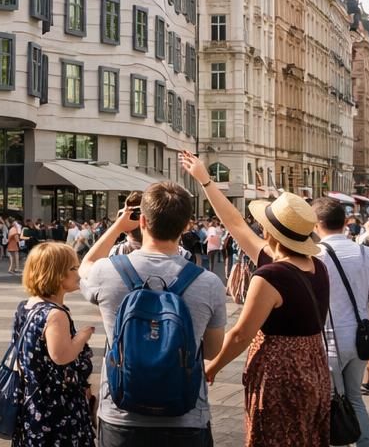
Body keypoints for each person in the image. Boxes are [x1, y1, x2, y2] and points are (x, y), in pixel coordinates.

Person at [80, 185, 226, 447]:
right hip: (186, 417)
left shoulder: (106, 272)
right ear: (185, 227)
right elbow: (212, 351)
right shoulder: (209, 283)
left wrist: (117, 227)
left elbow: (84, 267)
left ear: (143, 221)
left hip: (121, 415)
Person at [202, 190, 331, 447]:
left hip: (279, 374)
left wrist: (212, 367)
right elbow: (236, 224)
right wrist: (206, 181)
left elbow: (241, 335)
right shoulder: (317, 267)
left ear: (269, 234)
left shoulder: (271, 276)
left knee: (274, 436)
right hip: (314, 368)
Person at [316, 199, 369, 447]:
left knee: (328, 401)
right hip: (361, 337)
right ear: (346, 223)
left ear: (317, 224)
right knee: (354, 397)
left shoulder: (315, 255)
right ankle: (367, 443)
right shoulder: (365, 252)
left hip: (328, 339)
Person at [12, 241, 94, 446]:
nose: (79, 273)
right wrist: (82, 336)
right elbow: (61, 356)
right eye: (73, 268)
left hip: (33, 403)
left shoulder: (26, 306)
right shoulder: (55, 314)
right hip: (56, 408)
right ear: (57, 275)